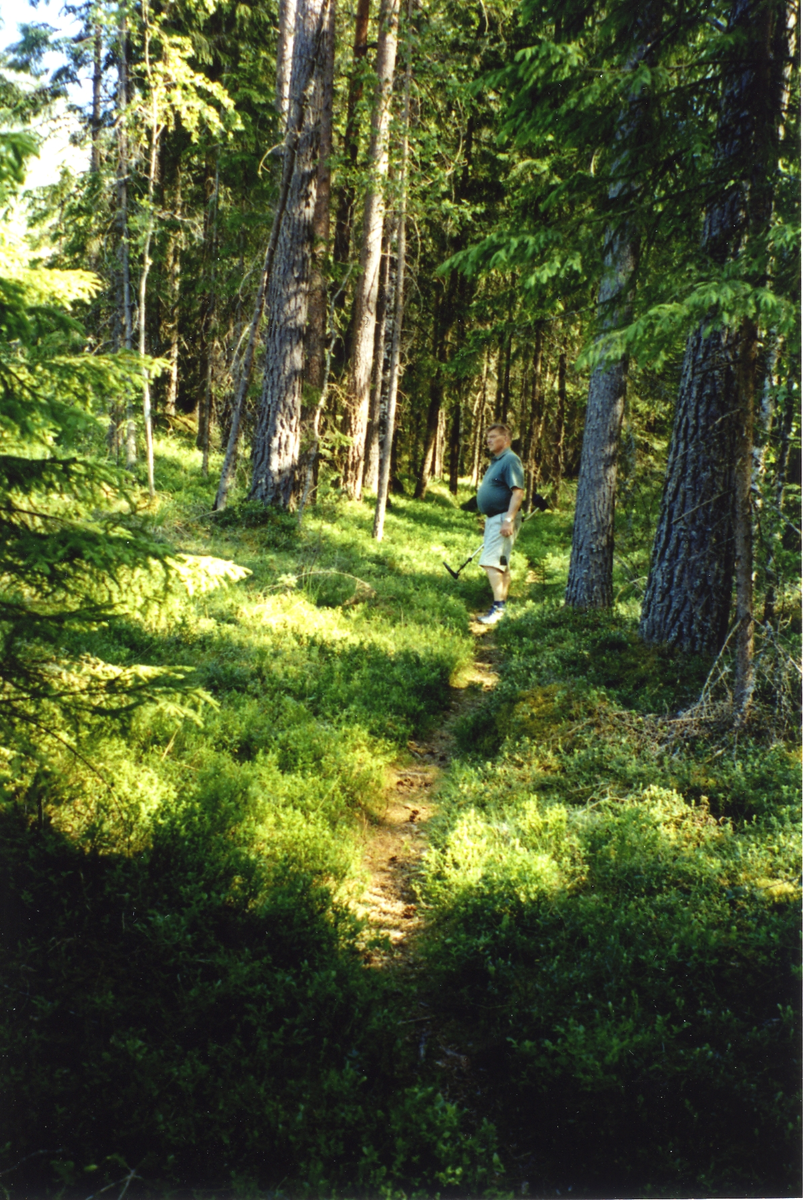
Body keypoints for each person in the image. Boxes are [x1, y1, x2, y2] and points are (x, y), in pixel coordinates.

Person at [475, 424, 525, 625]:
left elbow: (518, 492)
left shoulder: (510, 460)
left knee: (490, 562)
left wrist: (508, 520)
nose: (488, 440)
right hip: (495, 517)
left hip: (502, 518)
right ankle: (500, 604)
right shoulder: (497, 461)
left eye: (493, 437)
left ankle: (498, 608)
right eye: (487, 437)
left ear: (506, 439)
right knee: (501, 564)